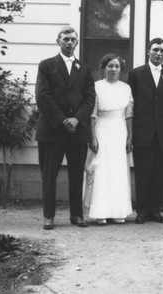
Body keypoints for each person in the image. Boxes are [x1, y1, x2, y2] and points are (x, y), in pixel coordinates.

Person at [35, 26, 96, 230]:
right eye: (66, 39)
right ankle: (49, 216)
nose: (70, 43)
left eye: (73, 40)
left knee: (77, 174)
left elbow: (89, 98)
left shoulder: (85, 69)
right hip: (52, 130)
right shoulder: (46, 66)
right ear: (58, 41)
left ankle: (76, 215)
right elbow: (43, 97)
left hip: (77, 131)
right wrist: (63, 120)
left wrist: (77, 119)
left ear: (77, 43)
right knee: (49, 175)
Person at [127, 38, 163, 224]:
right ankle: (141, 211)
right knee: (143, 171)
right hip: (144, 131)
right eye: (155, 50)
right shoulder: (136, 74)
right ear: (148, 51)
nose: (158, 54)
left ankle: (155, 210)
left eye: (162, 51)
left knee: (159, 172)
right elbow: (131, 101)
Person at [83, 53, 133, 225]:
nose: (113, 69)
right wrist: (93, 137)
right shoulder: (96, 87)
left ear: (121, 69)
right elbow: (92, 114)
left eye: (116, 66)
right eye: (110, 66)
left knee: (118, 170)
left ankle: (118, 211)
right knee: (102, 170)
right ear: (103, 68)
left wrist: (130, 136)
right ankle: (100, 212)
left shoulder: (126, 88)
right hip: (102, 129)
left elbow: (129, 114)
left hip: (119, 131)